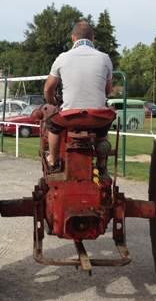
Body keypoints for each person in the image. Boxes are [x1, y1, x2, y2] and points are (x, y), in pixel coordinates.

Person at [43, 22, 113, 182]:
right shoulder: (105, 58)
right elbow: (107, 91)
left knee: (52, 124)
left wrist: (51, 100)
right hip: (97, 116)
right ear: (92, 38)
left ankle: (52, 160)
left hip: (70, 115)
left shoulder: (63, 57)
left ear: (73, 38)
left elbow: (48, 89)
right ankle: (101, 164)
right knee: (102, 130)